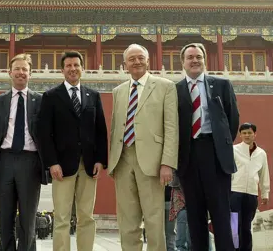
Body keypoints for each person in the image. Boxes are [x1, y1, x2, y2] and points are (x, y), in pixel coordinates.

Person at [108, 44, 178, 251]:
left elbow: (171, 128)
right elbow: (115, 127)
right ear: (125, 65)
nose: (136, 62)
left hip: (153, 162)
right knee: (127, 220)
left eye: (140, 58)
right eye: (132, 59)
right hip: (122, 160)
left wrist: (167, 163)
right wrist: (112, 161)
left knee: (154, 219)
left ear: (148, 61)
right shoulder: (118, 91)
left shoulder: (165, 86)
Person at [38, 51, 108, 251]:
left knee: (86, 216)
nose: (73, 69)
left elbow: (100, 130)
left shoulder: (92, 96)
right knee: (61, 217)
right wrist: (52, 163)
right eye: (68, 66)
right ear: (62, 70)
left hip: (88, 165)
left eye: (76, 65)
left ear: (82, 68)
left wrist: (100, 160)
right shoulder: (51, 96)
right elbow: (44, 134)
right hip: (62, 166)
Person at [176, 43, 240, 251]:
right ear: (182, 62)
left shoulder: (221, 85)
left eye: (199, 57)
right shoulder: (175, 90)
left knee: (221, 212)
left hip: (214, 154)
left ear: (204, 60)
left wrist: (220, 145)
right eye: (190, 57)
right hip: (188, 155)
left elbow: (232, 119)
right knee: (195, 214)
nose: (195, 61)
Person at [0, 53, 46, 251]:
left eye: (25, 70)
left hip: (30, 162)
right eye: (17, 69)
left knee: (28, 219)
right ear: (9, 72)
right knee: (5, 218)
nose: (21, 73)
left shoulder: (41, 101)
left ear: (31, 74)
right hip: (4, 161)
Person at [231, 122, 270, 250]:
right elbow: (228, 171)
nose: (247, 135)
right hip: (235, 192)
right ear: (240, 135)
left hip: (251, 194)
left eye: (249, 133)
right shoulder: (234, 150)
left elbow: (264, 173)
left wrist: (265, 193)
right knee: (235, 225)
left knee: (247, 226)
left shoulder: (261, 153)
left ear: (255, 134)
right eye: (244, 133)